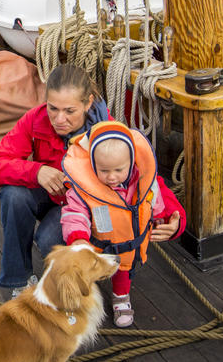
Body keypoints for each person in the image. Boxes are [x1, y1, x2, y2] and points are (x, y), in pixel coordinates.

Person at [0, 64, 110, 296]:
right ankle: (19, 280)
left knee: (49, 240)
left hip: (81, 207)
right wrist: (36, 171)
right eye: (53, 108)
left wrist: (174, 218)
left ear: (88, 103)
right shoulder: (36, 119)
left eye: (70, 111)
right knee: (14, 196)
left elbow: (142, 175)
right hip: (50, 195)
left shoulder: (107, 132)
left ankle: (79, 272)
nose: (59, 119)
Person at [61, 120, 185, 327]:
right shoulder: (84, 189)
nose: (111, 177)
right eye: (103, 170)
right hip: (95, 244)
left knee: (123, 269)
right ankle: (78, 303)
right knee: (82, 275)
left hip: (125, 245)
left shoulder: (144, 183)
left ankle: (121, 298)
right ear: (93, 165)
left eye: (118, 170)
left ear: (132, 163)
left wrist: (169, 220)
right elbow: (75, 214)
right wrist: (77, 239)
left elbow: (158, 204)